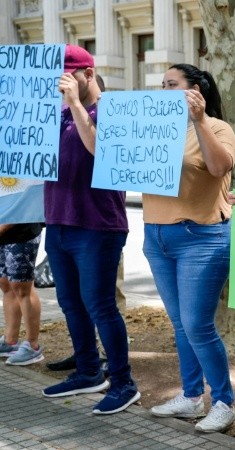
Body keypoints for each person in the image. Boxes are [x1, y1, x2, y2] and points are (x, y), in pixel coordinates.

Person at [40, 44, 140, 415]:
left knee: (100, 305)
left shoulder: (111, 112)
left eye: (68, 77)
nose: (62, 85)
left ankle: (124, 382)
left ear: (87, 74)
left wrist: (76, 106)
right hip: (59, 221)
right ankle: (87, 371)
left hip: (98, 224)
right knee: (70, 303)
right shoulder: (60, 116)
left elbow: (103, 151)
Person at [144, 63, 235, 433]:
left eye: (173, 84)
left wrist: (199, 120)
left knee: (198, 325)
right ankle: (190, 395)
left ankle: (224, 401)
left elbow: (220, 167)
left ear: (196, 90)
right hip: (157, 236)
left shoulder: (216, 127)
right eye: (162, 84)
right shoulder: (152, 128)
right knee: (181, 324)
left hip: (201, 237)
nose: (164, 89)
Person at [0, 223, 44, 365]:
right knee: (5, 284)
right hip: (3, 235)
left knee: (22, 288)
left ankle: (33, 346)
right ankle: (10, 341)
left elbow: (22, 203)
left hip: (22, 232)